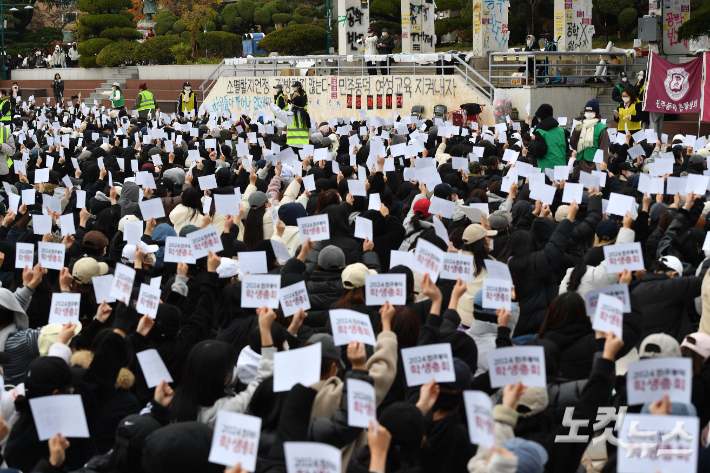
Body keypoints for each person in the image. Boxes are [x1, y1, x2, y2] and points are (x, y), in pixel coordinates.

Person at [570, 99, 609, 174]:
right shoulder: (581, 125)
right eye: (587, 111)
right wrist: (576, 131)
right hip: (579, 165)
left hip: (592, 166)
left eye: (591, 111)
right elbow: (573, 145)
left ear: (596, 113)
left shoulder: (601, 128)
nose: (588, 113)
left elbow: (603, 149)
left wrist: (602, 169)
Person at [527, 103, 566, 170]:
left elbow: (538, 152)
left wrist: (532, 142)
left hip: (547, 168)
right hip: (562, 166)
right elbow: (566, 147)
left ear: (541, 117)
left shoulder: (540, 132)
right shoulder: (561, 130)